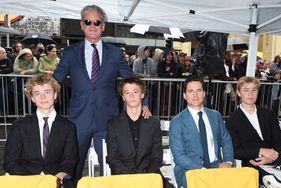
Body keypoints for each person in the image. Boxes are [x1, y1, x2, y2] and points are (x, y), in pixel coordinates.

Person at [53, 4, 151, 180]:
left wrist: (144, 103)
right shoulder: (70, 52)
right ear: (81, 25)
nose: (92, 25)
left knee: (111, 166)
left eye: (97, 22)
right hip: (78, 121)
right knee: (71, 167)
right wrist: (40, 93)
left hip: (107, 121)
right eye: (88, 21)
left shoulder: (114, 54)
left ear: (103, 26)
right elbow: (56, 79)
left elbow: (131, 78)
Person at [3, 75, 78, 188]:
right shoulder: (19, 126)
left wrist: (56, 180)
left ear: (55, 95)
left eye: (47, 92)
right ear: (32, 98)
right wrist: (33, 182)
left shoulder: (68, 127)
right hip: (26, 181)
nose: (43, 97)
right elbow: (10, 161)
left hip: (57, 181)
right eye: (37, 93)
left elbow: (70, 160)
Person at [106, 77, 173, 188]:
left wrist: (144, 179)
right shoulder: (113, 124)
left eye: (135, 91)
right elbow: (113, 159)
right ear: (123, 97)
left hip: (149, 176)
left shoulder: (154, 123)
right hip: (123, 178)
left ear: (142, 94)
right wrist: (132, 179)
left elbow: (157, 157)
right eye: (127, 92)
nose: (131, 96)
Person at [169, 75, 234, 188]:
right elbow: (179, 157)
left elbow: (226, 140)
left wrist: (228, 161)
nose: (195, 95)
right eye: (190, 91)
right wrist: (202, 169)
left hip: (217, 166)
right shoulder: (177, 122)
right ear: (185, 95)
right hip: (190, 170)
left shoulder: (215, 115)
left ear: (204, 94)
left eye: (199, 90)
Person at [226, 76, 281, 184]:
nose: (250, 94)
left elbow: (278, 140)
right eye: (246, 90)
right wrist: (260, 151)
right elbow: (236, 151)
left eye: (254, 90)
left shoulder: (269, 114)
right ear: (238, 93)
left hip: (276, 160)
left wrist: (271, 158)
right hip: (253, 164)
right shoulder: (232, 121)